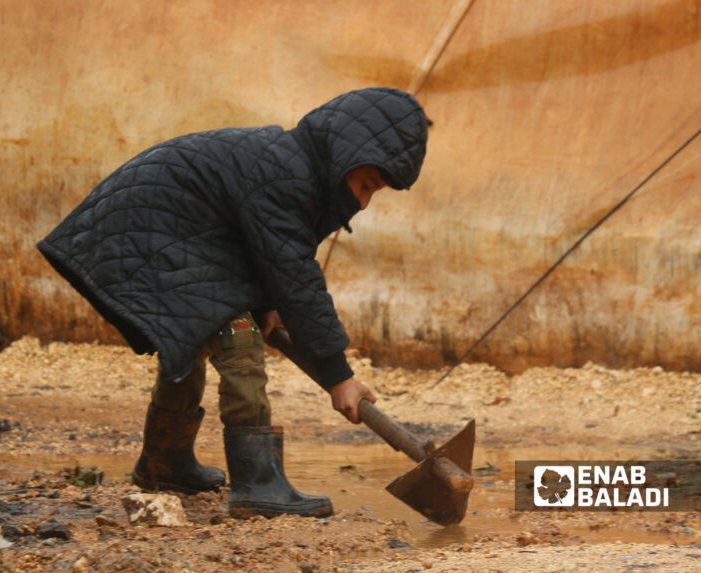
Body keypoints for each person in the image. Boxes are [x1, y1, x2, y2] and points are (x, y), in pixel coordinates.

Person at [38, 87, 428, 519]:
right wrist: (339, 376)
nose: (364, 201)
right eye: (366, 185)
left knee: (188, 339)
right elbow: (296, 277)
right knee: (237, 339)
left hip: (169, 235)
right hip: (149, 234)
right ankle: (258, 484)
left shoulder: (294, 168)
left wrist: (264, 305)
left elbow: (256, 250)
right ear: (345, 156)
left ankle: (165, 464)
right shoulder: (287, 176)